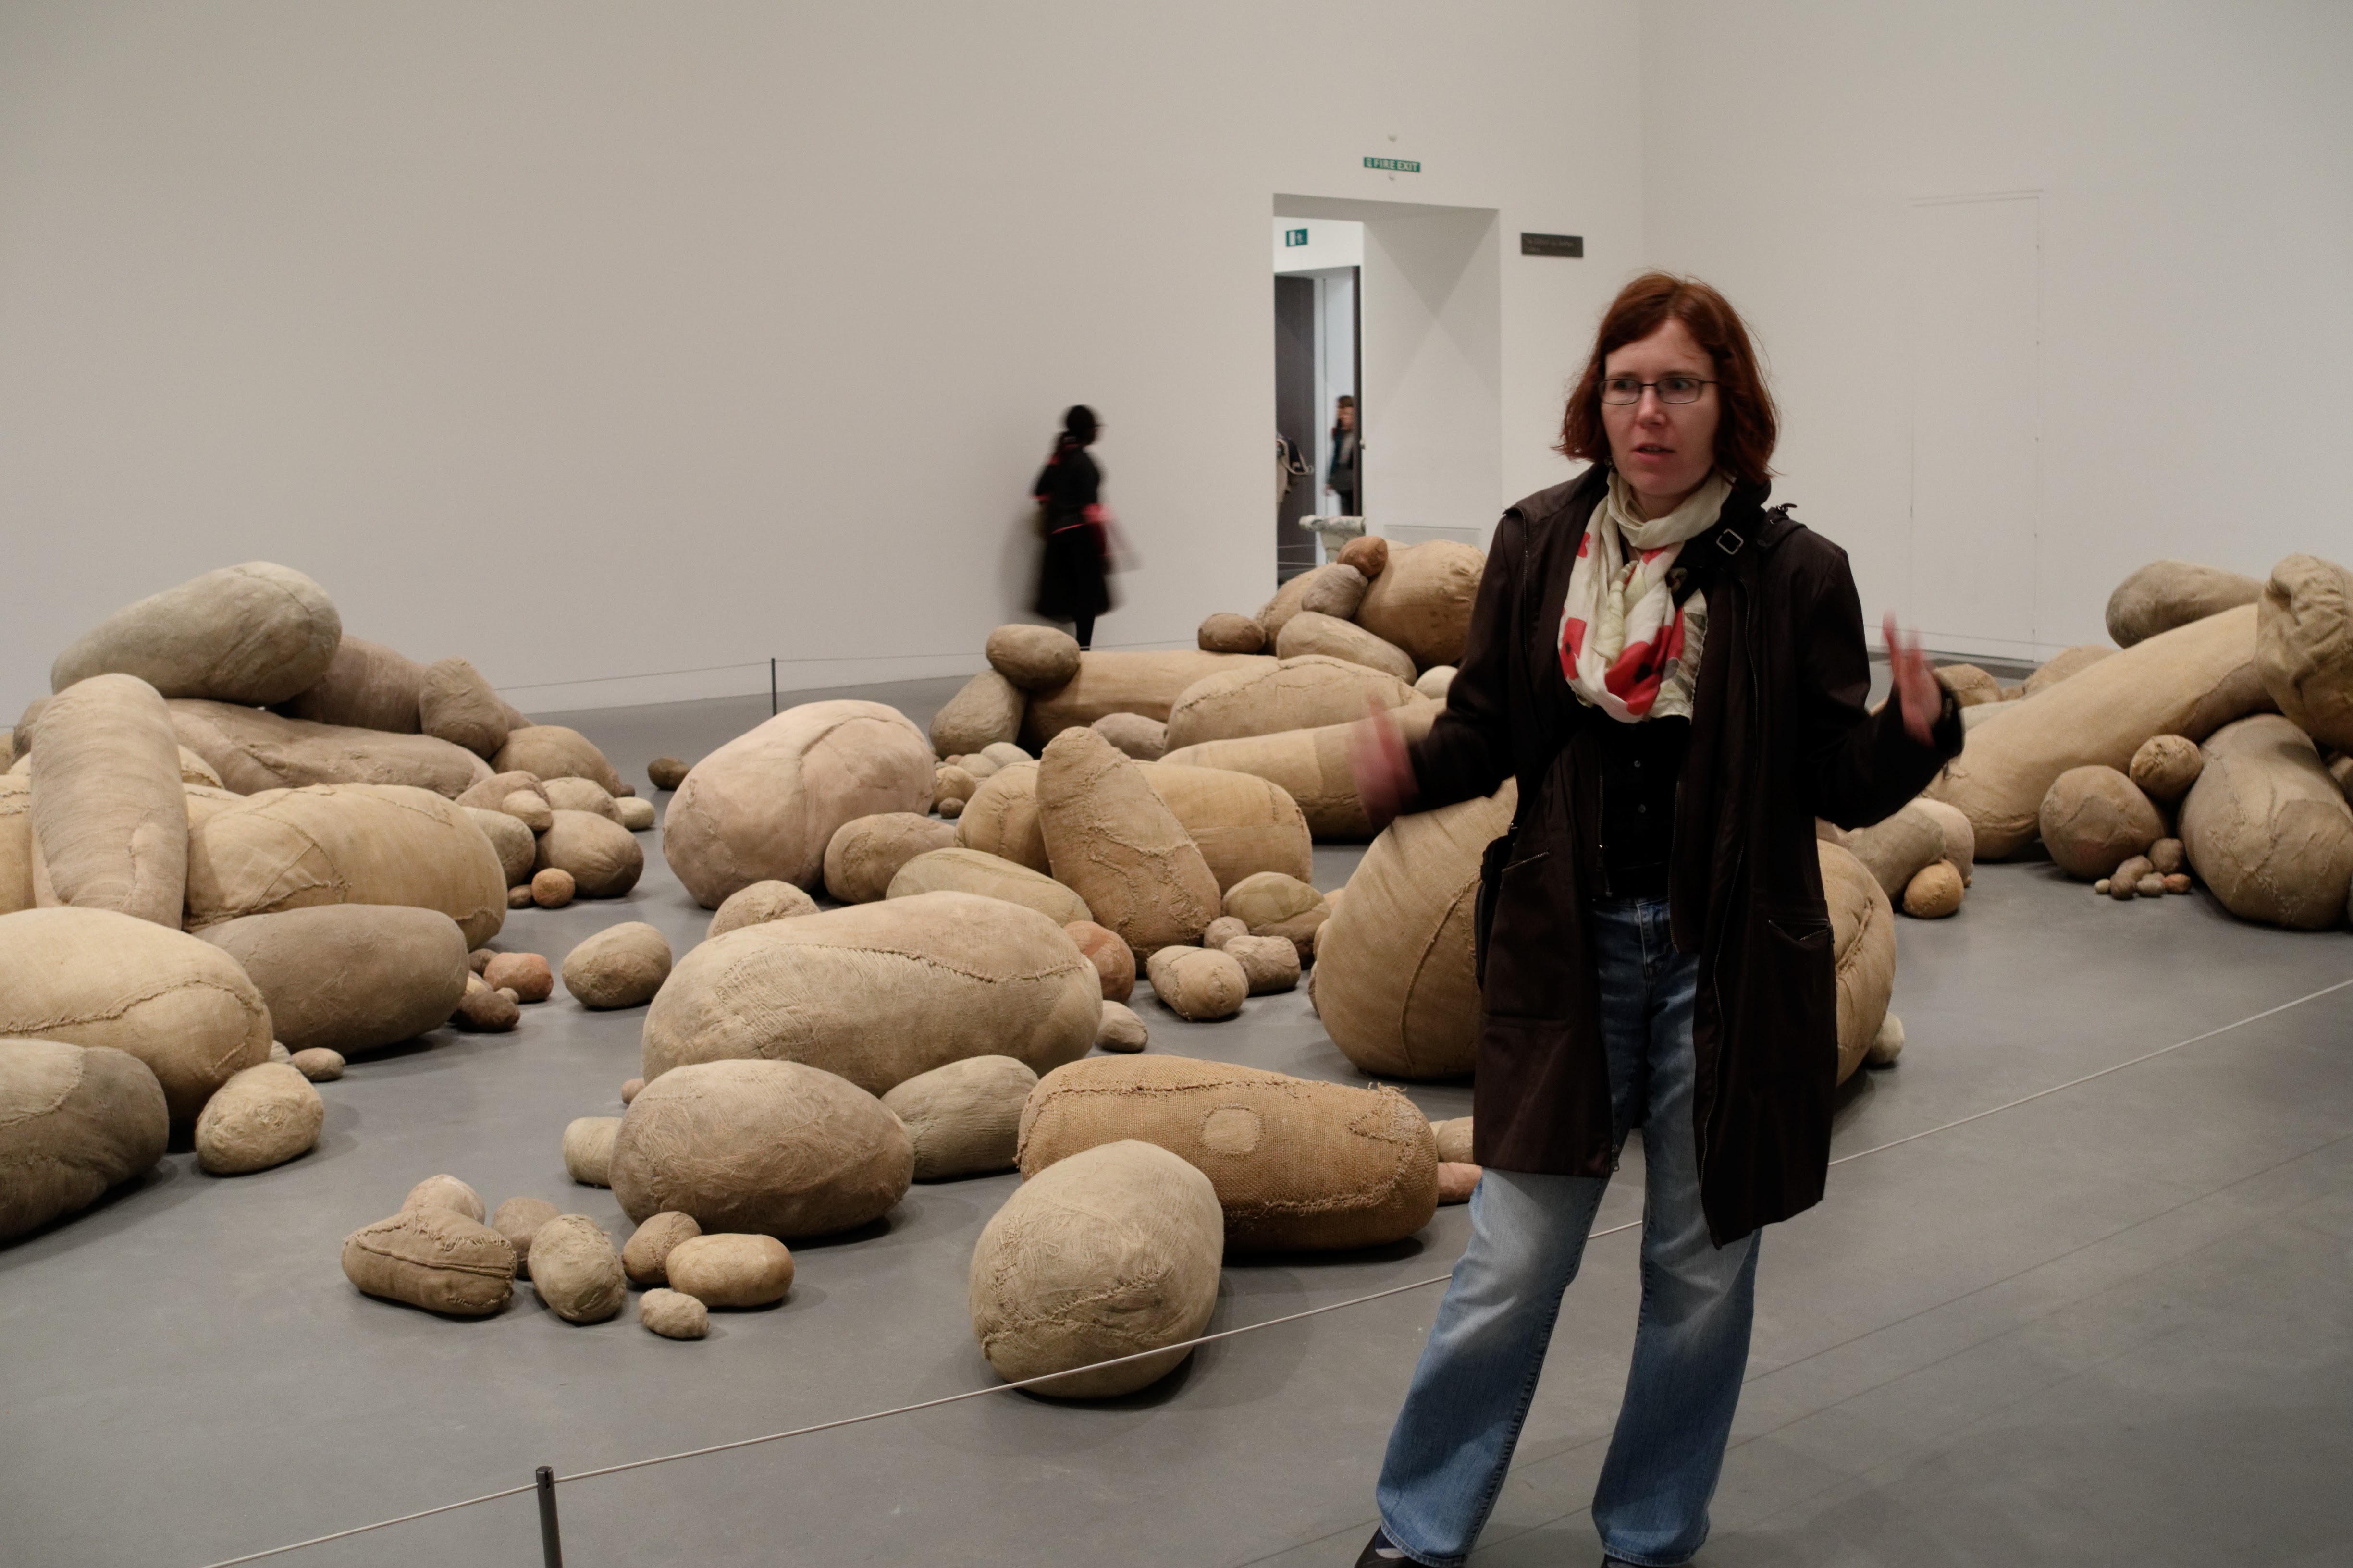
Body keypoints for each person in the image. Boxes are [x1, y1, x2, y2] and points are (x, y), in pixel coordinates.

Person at [1346, 273, 1960, 1568]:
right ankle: (1419, 1527)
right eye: (1628, 383)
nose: (1650, 410)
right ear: (1597, 399)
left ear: (1725, 404)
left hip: (1726, 966)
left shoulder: (1796, 577)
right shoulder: (1537, 544)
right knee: (1509, 1261)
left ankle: (1650, 1536)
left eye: (1679, 384)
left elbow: (1834, 784)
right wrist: (1407, 768)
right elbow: (1490, 730)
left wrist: (1914, 736)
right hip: (1564, 954)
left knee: (1697, 1277)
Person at [1032, 404, 1114, 649]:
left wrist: (1055, 457)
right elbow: (1092, 510)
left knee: (1069, 595)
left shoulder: (1061, 458)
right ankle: (1084, 652)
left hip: (1059, 536)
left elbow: (1039, 491)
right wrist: (1103, 549)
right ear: (1089, 431)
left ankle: (1073, 654)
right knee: (1088, 597)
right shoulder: (1085, 463)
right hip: (1082, 536)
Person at [1327, 394, 1361, 515]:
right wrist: (1330, 479)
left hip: (1353, 481)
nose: (1339, 413)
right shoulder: (1339, 432)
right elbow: (1336, 456)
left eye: (1340, 408)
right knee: (1345, 513)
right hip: (1343, 482)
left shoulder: (1357, 433)